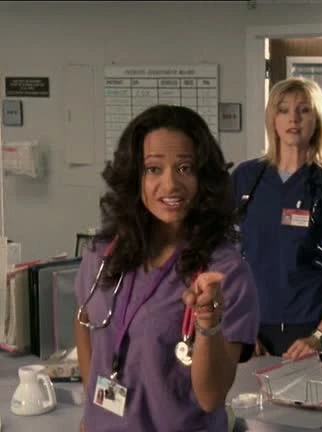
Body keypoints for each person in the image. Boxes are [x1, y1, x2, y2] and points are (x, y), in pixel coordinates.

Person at [74, 104, 259, 432]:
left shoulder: (223, 273)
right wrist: (93, 411)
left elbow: (211, 397)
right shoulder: (102, 254)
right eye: (153, 169)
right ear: (135, 177)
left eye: (185, 168)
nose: (171, 184)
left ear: (204, 178)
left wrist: (208, 324)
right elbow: (85, 321)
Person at [231, 77, 322, 360]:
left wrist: (320, 336)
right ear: (272, 119)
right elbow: (227, 262)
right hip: (252, 325)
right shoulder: (245, 178)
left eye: (304, 110)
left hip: (308, 326)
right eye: (283, 110)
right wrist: (240, 325)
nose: (294, 118)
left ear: (317, 119)